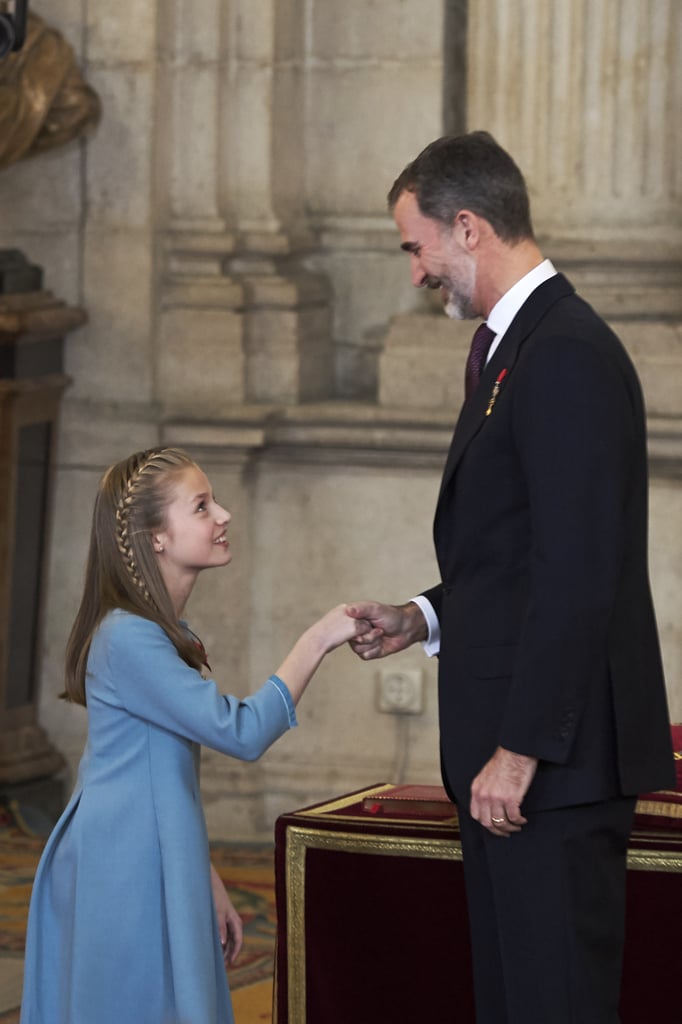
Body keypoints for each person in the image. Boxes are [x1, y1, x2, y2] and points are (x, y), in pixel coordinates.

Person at [347, 132, 675, 1024]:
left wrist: (521, 747)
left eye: (416, 247)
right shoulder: (512, 347)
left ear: (467, 226)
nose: (415, 273)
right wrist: (423, 616)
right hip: (519, 765)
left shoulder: (562, 350)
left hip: (548, 772)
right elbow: (519, 559)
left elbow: (578, 574)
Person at [20, 446, 367, 1024]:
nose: (224, 515)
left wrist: (201, 876)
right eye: (202, 506)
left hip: (149, 848)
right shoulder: (129, 638)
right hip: (121, 861)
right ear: (156, 537)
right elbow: (243, 732)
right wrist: (318, 637)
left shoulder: (158, 632)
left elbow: (161, 772)